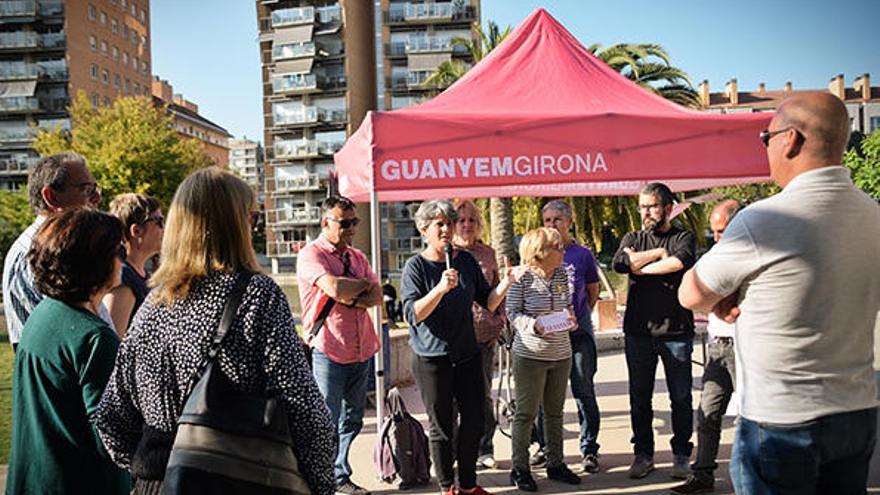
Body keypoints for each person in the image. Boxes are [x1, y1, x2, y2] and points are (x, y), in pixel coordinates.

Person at [679, 92, 880, 495]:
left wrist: (730, 294)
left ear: (790, 139)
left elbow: (692, 294)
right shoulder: (873, 214)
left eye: (765, 136)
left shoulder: (763, 219)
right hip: (857, 410)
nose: (766, 145)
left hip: (783, 418)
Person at [95, 168, 337, 494]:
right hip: (236, 479)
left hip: (159, 484)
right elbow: (305, 413)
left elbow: (111, 419)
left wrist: (159, 465)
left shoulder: (152, 305)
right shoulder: (258, 296)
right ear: (236, 225)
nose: (255, 226)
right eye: (251, 218)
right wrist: (321, 486)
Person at [6, 208, 130, 494]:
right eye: (117, 251)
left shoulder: (44, 315)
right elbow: (112, 437)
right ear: (95, 261)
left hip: (35, 481)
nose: (122, 260)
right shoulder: (95, 338)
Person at [400, 200, 518, 495]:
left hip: (466, 352)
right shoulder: (416, 266)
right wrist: (440, 288)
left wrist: (505, 283)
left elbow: (487, 302)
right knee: (441, 426)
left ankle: (468, 484)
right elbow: (413, 314)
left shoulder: (463, 261)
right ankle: (446, 486)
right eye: (439, 224)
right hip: (432, 357)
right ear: (424, 229)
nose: (446, 229)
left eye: (449, 224)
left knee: (475, 418)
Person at [296, 194, 383, 495]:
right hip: (329, 349)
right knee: (325, 419)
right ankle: (320, 478)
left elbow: (377, 296)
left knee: (353, 418)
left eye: (354, 222)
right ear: (326, 222)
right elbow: (332, 287)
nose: (351, 229)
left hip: (361, 348)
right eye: (344, 223)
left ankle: (339, 473)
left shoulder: (357, 257)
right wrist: (357, 288)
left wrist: (351, 292)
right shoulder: (312, 255)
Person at [612, 182, 696, 480]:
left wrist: (642, 264)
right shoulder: (633, 237)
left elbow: (677, 263)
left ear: (668, 208)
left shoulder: (684, 236)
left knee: (681, 397)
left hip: (676, 332)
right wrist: (657, 253)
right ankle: (643, 454)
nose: (646, 212)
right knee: (639, 396)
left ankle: (682, 455)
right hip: (638, 332)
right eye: (643, 206)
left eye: (652, 206)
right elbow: (621, 263)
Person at [2, 152, 109, 351]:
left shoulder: (69, 248)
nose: (96, 197)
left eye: (96, 188)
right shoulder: (33, 254)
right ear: (51, 197)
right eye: (86, 189)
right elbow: (62, 345)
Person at [671, 199, 739, 494]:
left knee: (751, 416)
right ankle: (703, 474)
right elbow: (694, 294)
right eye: (715, 232)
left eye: (723, 230)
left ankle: (750, 477)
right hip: (717, 346)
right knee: (708, 413)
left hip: (744, 345)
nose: (718, 237)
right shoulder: (715, 256)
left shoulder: (748, 255)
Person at [507, 227, 582, 491]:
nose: (563, 250)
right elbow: (512, 313)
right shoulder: (521, 278)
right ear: (540, 253)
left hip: (561, 353)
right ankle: (520, 468)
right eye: (557, 247)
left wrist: (570, 318)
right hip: (530, 355)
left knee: (554, 413)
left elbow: (567, 304)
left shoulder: (561, 273)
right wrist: (534, 325)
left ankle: (556, 464)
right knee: (525, 414)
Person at [535, 199, 602, 473]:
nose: (551, 225)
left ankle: (589, 449)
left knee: (584, 390)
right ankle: (546, 447)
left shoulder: (582, 255)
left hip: (578, 336)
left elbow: (592, 290)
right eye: (547, 220)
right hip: (547, 339)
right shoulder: (536, 253)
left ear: (569, 223)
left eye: (556, 220)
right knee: (544, 395)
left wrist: (578, 317)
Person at [452, 199, 506, 470]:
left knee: (482, 395)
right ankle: (453, 451)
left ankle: (485, 446)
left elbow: (497, 289)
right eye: (461, 220)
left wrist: (498, 321)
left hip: (483, 336)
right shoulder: (446, 254)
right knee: (452, 399)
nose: (466, 225)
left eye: (471, 220)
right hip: (454, 338)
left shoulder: (488, 253)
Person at [103, 193, 164, 335]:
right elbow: (114, 339)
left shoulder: (140, 275)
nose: (164, 228)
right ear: (136, 231)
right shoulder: (123, 280)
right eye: (159, 221)